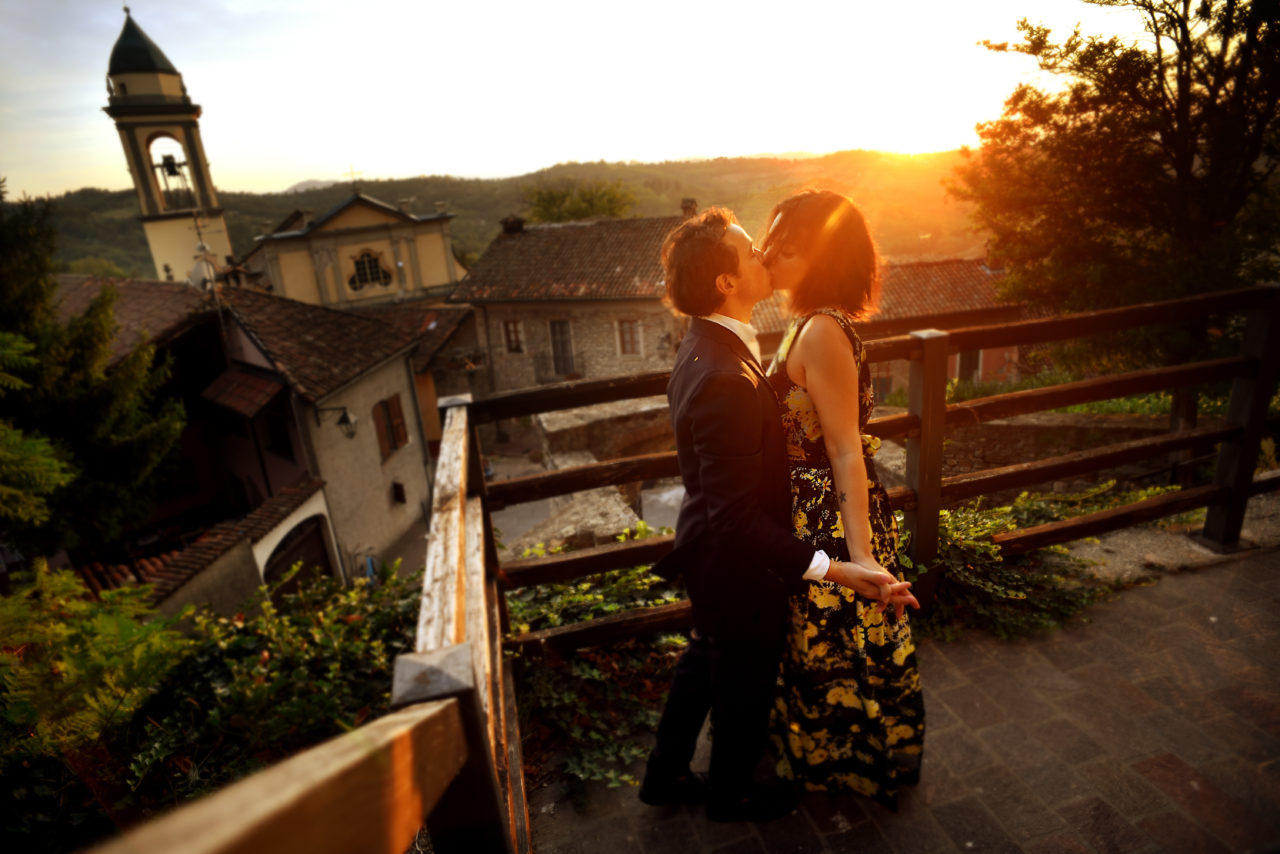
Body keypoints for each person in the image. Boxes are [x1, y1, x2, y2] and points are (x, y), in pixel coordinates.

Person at [638, 207, 915, 823]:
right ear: (726, 284)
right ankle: (730, 795)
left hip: (706, 542)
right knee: (744, 679)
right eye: (750, 251)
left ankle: (662, 775)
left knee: (704, 657)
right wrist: (835, 569)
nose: (762, 255)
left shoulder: (704, 346)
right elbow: (737, 517)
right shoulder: (725, 376)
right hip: (733, 559)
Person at [760, 189, 924, 806]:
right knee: (824, 643)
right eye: (769, 240)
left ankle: (855, 763)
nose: (768, 253)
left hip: (831, 517)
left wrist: (862, 555)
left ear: (820, 257)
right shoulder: (805, 322)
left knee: (844, 638)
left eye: (786, 246)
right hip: (810, 512)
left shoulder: (824, 329)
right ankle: (827, 757)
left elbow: (846, 449)